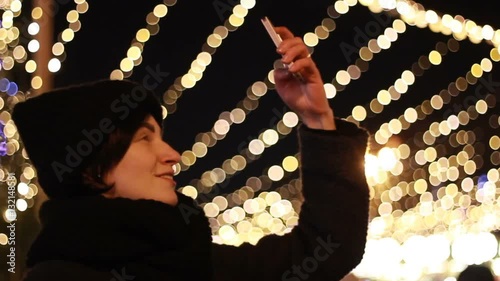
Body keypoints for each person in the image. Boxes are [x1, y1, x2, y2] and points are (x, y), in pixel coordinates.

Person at [13, 25, 370, 281]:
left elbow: (323, 250)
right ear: (94, 170)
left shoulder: (190, 258)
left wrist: (316, 117)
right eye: (143, 138)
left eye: (161, 136)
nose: (172, 155)